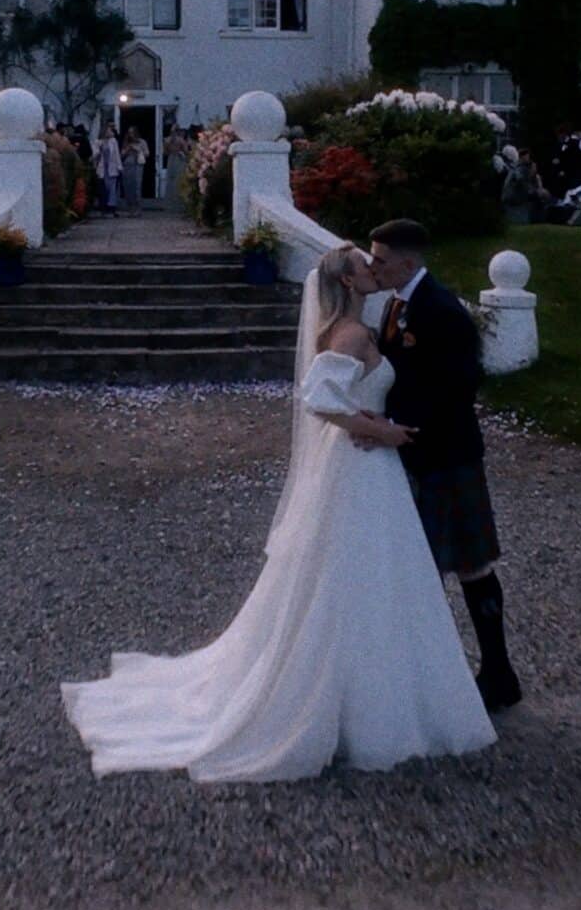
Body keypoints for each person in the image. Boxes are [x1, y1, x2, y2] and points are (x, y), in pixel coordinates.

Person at [61, 243, 497, 781]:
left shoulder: (359, 326)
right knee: (358, 573)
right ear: (348, 280)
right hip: (364, 464)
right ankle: (361, 699)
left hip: (371, 466)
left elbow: (347, 391)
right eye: (365, 265)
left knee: (374, 572)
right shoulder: (352, 334)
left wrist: (371, 419)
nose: (373, 269)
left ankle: (370, 690)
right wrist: (377, 429)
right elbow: (319, 398)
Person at [368, 218, 520, 710]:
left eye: (381, 259)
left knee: (471, 563)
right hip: (415, 453)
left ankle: (497, 671)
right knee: (423, 564)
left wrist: (406, 425)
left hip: (445, 453)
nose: (374, 266)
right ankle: (429, 672)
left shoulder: (440, 307)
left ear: (407, 263)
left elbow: (459, 382)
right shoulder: (397, 304)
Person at [92, 123, 122, 216]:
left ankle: (112, 208)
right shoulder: (97, 142)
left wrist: (119, 167)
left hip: (112, 168)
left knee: (112, 189)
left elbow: (117, 154)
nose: (111, 132)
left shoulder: (113, 141)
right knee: (103, 190)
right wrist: (99, 150)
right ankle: (103, 209)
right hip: (102, 169)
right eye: (109, 130)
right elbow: (95, 155)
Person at [119, 129, 148, 215]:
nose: (131, 134)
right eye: (129, 133)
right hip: (127, 166)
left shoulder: (142, 142)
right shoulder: (126, 142)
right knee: (128, 187)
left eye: (132, 132)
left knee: (137, 187)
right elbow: (121, 155)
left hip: (138, 166)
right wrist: (128, 149)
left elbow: (147, 153)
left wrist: (138, 150)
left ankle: (138, 208)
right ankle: (130, 208)